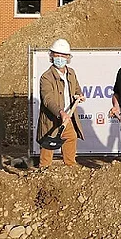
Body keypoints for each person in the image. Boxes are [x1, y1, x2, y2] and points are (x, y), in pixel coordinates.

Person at [38, 38, 84, 167]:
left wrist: (79, 95)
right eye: (57, 55)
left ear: (68, 57)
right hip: (52, 119)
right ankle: (43, 171)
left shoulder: (71, 73)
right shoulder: (46, 77)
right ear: (51, 56)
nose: (59, 58)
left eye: (63, 55)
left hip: (68, 116)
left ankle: (70, 168)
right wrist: (60, 112)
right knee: (48, 145)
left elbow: (76, 88)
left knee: (71, 138)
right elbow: (48, 99)